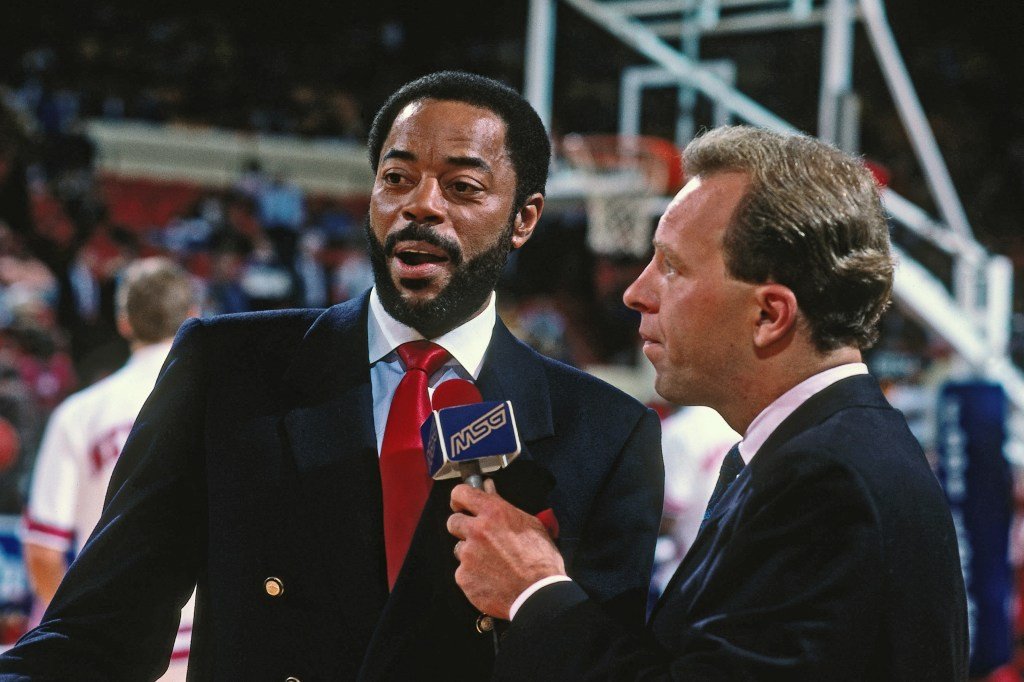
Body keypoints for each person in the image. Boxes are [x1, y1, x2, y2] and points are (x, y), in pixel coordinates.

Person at [0, 71, 664, 681]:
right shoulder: (227, 368)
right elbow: (99, 632)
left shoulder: (604, 433)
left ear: (525, 218)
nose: (421, 206)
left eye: (462, 187)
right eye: (397, 178)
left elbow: (601, 667)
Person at [448, 125, 968, 680]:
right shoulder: (818, 451)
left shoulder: (825, 479)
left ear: (769, 316)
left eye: (672, 266)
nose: (636, 292)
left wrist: (535, 592)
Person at [22, 256, 199, 681]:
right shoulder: (228, 409)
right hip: (203, 647)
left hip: (106, 650)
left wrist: (78, 634)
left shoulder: (79, 413)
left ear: (124, 322)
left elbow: (43, 553)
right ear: (194, 316)